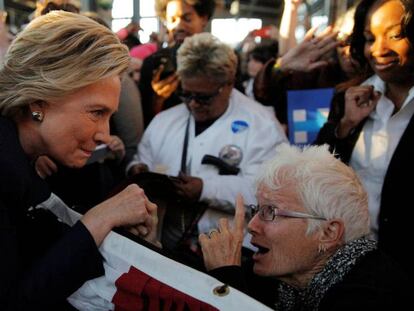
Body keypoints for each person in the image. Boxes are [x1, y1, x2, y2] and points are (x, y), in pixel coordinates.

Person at [0, 11, 157, 310]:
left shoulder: (27, 160)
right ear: (38, 102)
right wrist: (99, 220)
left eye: (110, 116)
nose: (105, 135)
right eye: (96, 113)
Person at [127, 33, 287, 257]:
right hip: (166, 247)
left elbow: (271, 194)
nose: (193, 104)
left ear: (229, 84)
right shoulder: (165, 121)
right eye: (186, 94)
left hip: (233, 254)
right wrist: (137, 169)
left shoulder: (262, 126)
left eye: (203, 97)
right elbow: (142, 158)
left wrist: (206, 188)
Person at [199, 144, 409, 310]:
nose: (252, 226)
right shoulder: (286, 274)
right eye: (257, 210)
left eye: (270, 212)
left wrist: (226, 277)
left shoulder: (373, 296)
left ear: (328, 233)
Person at [315, 0, 414, 276]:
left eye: (395, 35)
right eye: (370, 38)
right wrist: (344, 126)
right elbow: (314, 174)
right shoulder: (350, 96)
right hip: (342, 266)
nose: (378, 49)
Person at [139, 0, 216, 126]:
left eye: (187, 19)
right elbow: (145, 120)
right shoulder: (153, 63)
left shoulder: (220, 61)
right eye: (172, 20)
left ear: (203, 18)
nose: (179, 27)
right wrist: (157, 100)